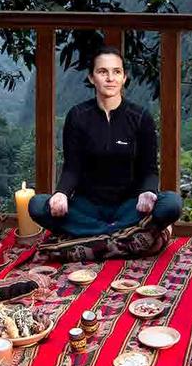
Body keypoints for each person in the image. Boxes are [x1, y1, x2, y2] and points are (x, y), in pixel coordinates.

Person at [28, 47, 182, 240]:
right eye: (103, 72)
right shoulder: (77, 116)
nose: (110, 78)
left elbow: (149, 169)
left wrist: (148, 192)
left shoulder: (141, 117)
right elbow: (72, 168)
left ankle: (93, 235)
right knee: (37, 205)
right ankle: (119, 234)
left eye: (116, 72)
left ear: (124, 77)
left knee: (172, 204)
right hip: (88, 206)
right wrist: (61, 193)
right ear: (92, 78)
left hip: (129, 205)